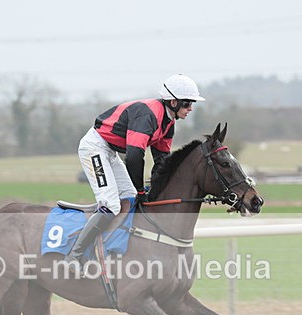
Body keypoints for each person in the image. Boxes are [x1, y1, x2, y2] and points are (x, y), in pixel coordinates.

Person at [68, 74, 205, 271]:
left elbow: (161, 162)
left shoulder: (168, 123)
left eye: (191, 103)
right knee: (111, 204)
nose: (190, 108)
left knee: (130, 197)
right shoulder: (148, 116)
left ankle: (114, 246)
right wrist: (141, 189)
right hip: (94, 148)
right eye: (187, 103)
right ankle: (75, 255)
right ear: (173, 102)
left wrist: (153, 190)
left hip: (111, 151)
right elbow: (133, 157)